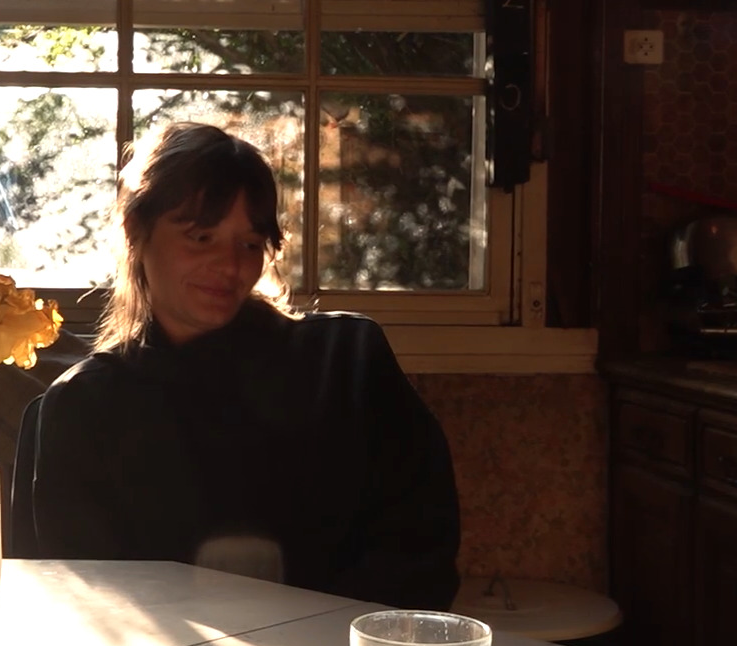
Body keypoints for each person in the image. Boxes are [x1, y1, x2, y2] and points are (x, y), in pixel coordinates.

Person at [29, 122, 460, 610]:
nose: (230, 265)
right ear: (135, 232)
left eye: (250, 244)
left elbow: (420, 556)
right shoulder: (85, 406)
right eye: (202, 237)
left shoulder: (348, 362)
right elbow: (97, 605)